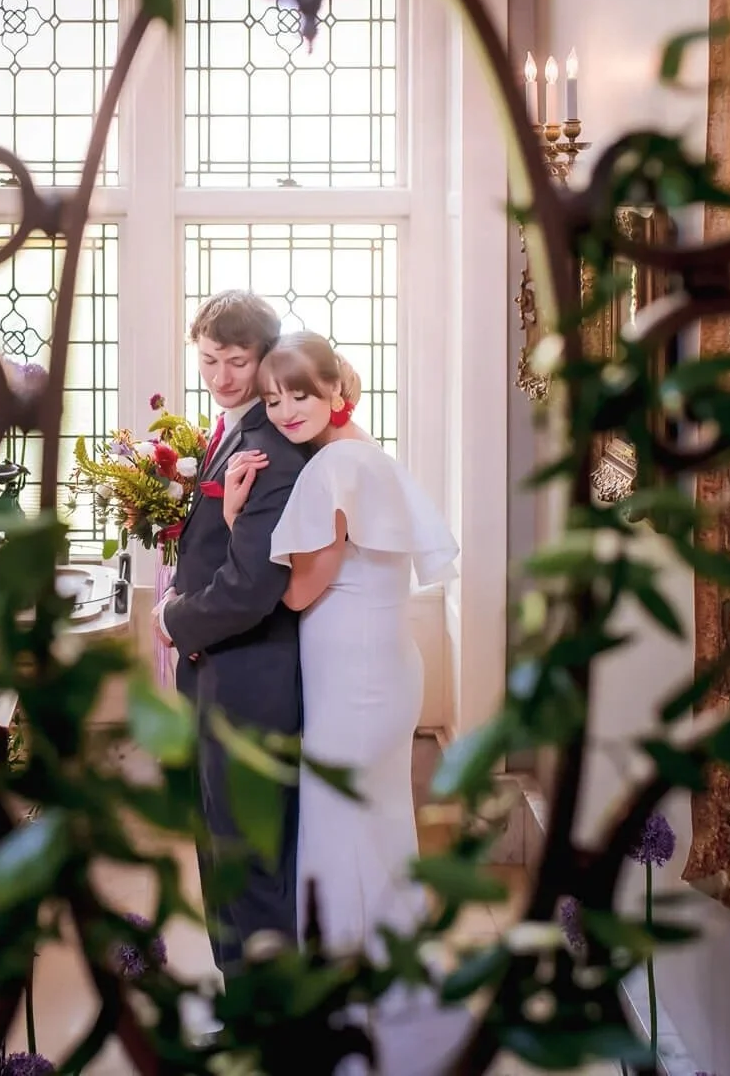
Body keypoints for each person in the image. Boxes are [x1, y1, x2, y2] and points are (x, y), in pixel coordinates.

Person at [221, 331, 459, 958]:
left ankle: (351, 996)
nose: (285, 412)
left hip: (354, 689)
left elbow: (297, 594)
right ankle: (384, 978)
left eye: (300, 394)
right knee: (375, 832)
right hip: (380, 674)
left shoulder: (333, 467)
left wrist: (234, 523)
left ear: (335, 388)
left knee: (341, 832)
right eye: (272, 401)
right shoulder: (365, 452)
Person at [155, 290, 312, 976]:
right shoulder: (230, 433)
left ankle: (268, 1019)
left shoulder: (272, 447)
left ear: (265, 358)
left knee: (248, 856)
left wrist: (172, 617)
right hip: (220, 669)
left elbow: (253, 586)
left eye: (238, 361)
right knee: (219, 846)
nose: (221, 376)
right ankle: (241, 1000)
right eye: (210, 359)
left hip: (251, 677)